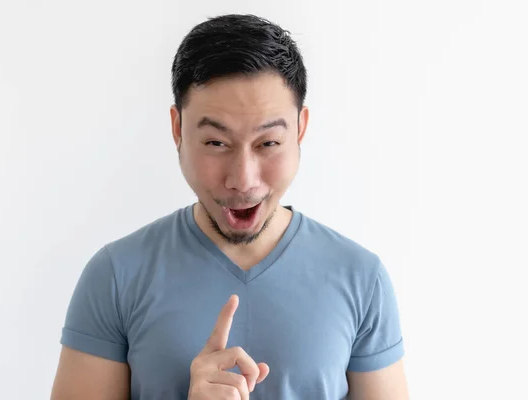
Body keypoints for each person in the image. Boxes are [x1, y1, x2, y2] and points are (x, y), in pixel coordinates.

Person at [50, 13, 409, 400]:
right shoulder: (116, 276)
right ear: (178, 130)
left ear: (300, 130)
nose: (243, 179)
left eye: (268, 143)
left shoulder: (361, 279)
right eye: (216, 143)